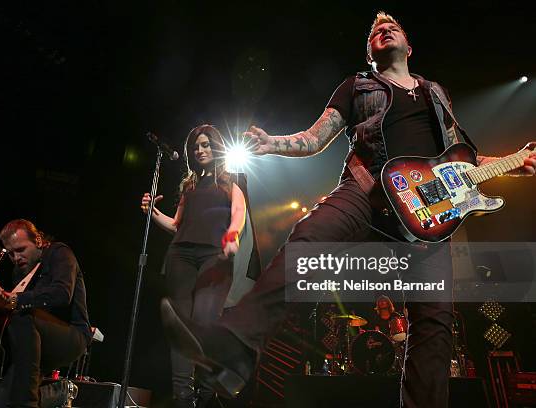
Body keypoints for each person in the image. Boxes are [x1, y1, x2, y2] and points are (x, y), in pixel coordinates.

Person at [159, 12, 536, 408]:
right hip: (366, 188)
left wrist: (513, 162)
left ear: (409, 46)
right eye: (374, 31)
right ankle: (232, 349)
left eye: (392, 26)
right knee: (308, 241)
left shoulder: (436, 93)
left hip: (428, 216)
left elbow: (462, 161)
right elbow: (314, 137)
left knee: (435, 323)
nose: (383, 28)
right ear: (370, 53)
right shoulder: (357, 86)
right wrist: (274, 142)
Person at [141, 124, 259, 408]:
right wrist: (151, 212)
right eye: (196, 147)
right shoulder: (189, 186)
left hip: (214, 259)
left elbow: (239, 213)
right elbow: (176, 225)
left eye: (206, 145)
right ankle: (183, 397)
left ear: (216, 147)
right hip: (180, 256)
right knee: (180, 328)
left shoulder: (231, 181)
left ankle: (206, 395)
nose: (201, 150)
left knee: (205, 325)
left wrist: (232, 236)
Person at [0, 219, 92, 407]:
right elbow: (13, 308)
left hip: (71, 335)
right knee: (1, 403)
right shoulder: (19, 273)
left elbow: (61, 294)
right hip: (33, 341)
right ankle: (49, 395)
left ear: (37, 240)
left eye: (20, 250)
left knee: (22, 316)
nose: (16, 258)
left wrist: (11, 299)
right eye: (11, 254)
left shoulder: (59, 253)